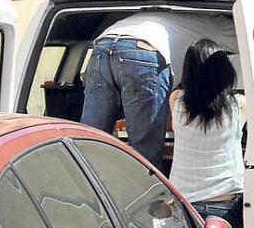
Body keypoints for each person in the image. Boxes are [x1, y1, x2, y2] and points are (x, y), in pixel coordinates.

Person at [80, 12, 231, 167]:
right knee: (144, 148)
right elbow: (246, 42)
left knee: (91, 136)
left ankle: (78, 182)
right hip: (144, 51)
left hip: (102, 46)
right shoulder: (218, 23)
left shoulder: (167, 17)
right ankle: (141, 188)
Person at [169, 39, 246, 228]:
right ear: (225, 71)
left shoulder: (176, 100)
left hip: (184, 206)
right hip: (225, 207)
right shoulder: (240, 106)